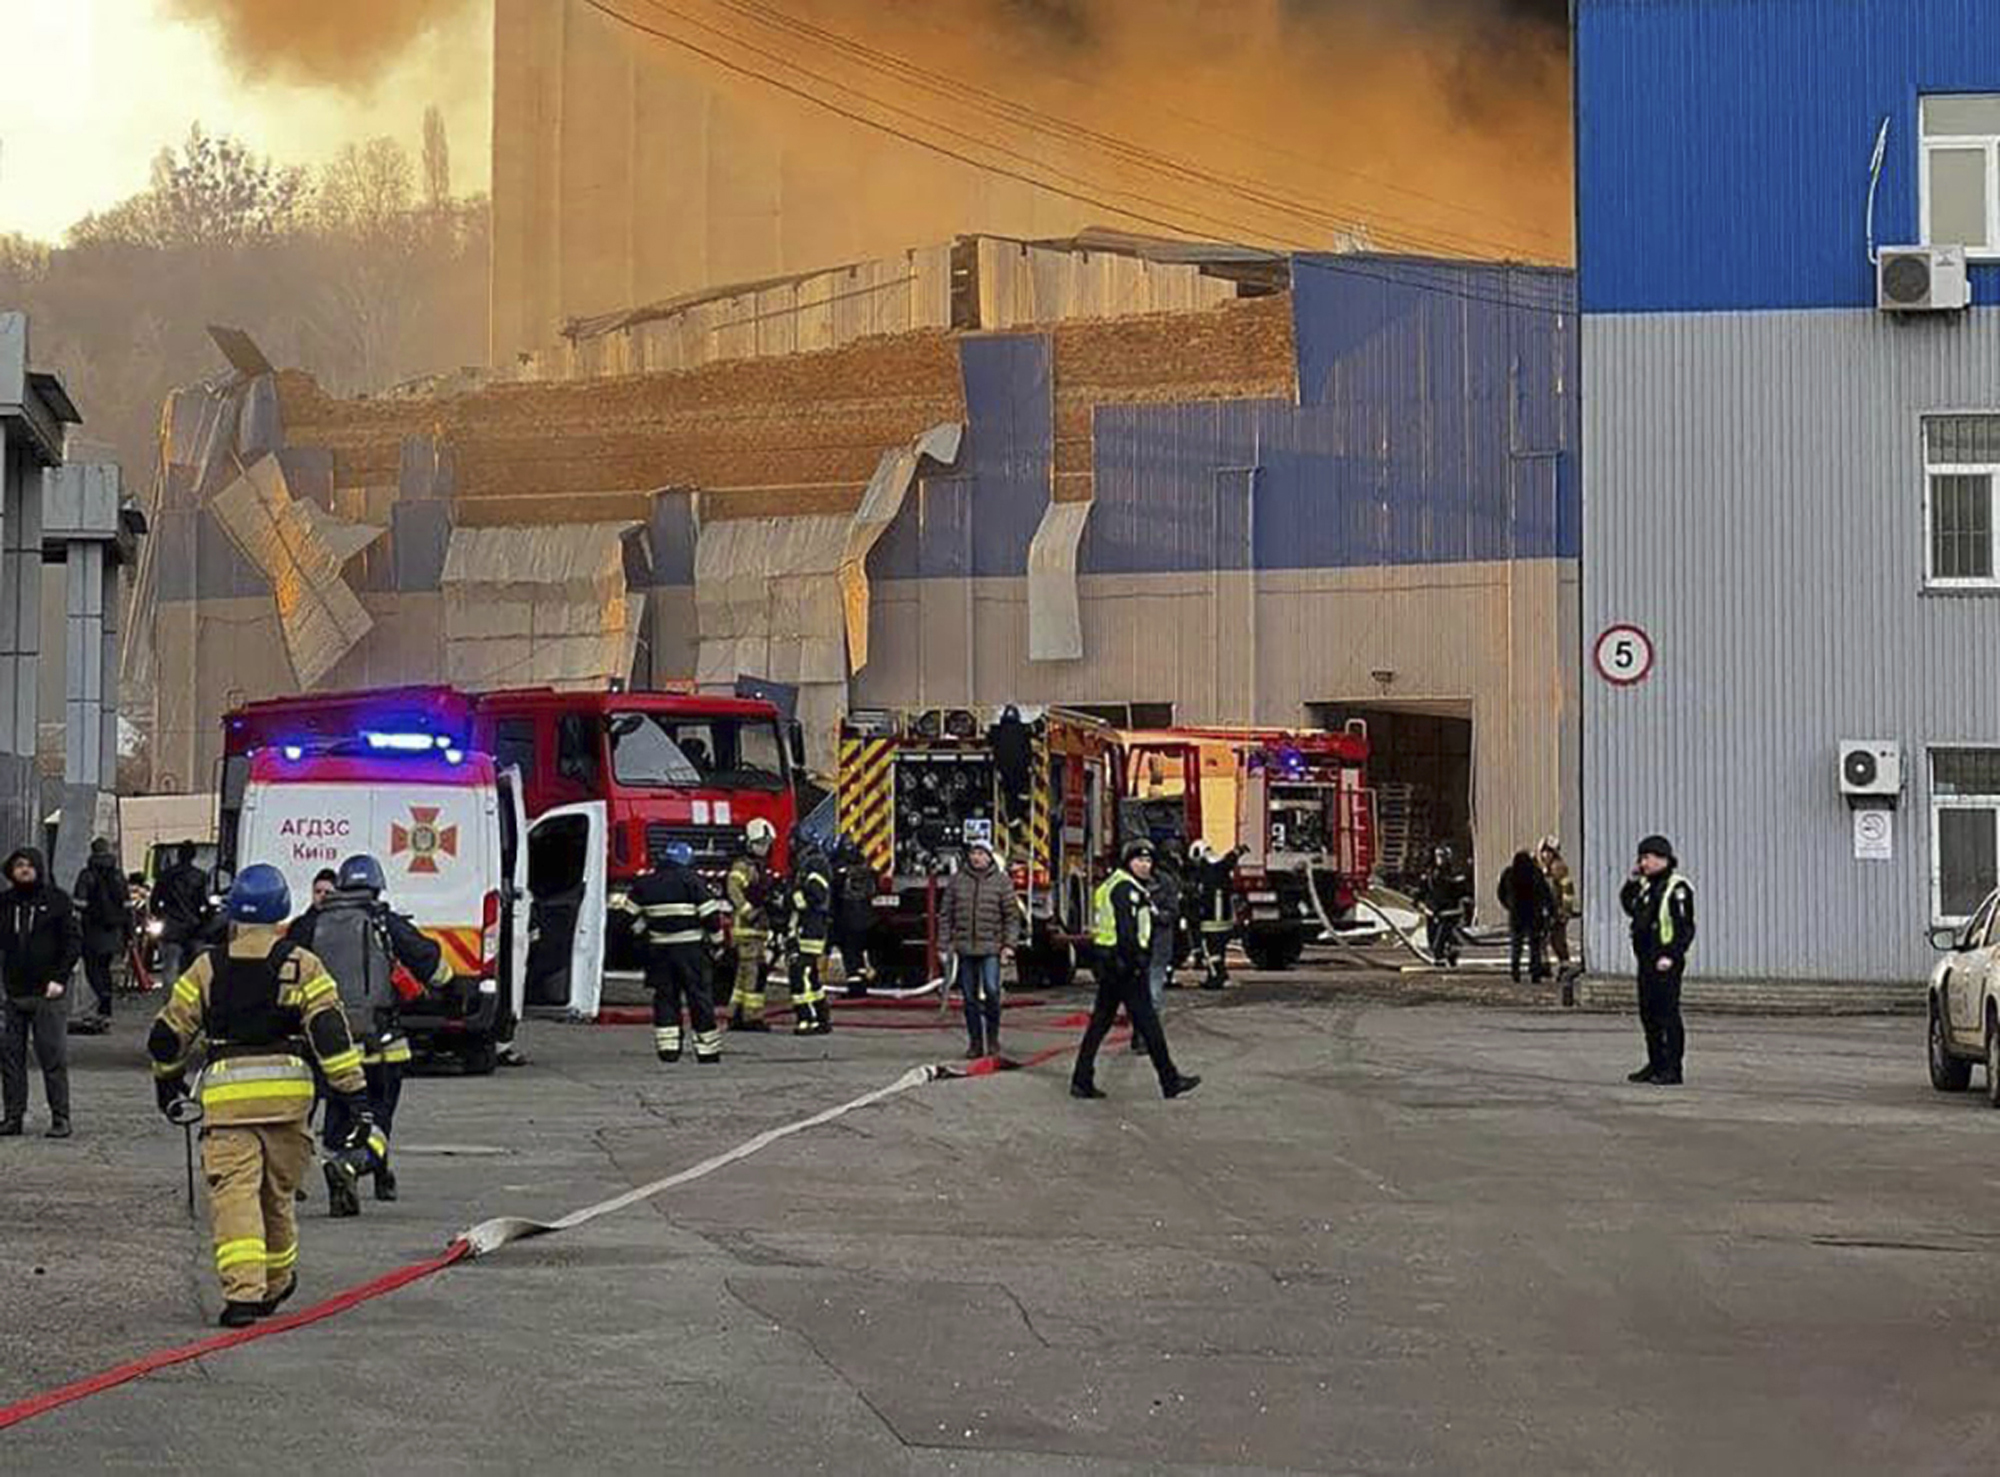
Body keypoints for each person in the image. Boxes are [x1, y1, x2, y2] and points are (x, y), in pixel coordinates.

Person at [148, 864, 372, 1327]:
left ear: (232, 914)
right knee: (278, 1194)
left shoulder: (206, 967)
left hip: (228, 1103)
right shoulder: (302, 964)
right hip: (288, 1102)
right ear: (282, 912)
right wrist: (354, 1096)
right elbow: (329, 1032)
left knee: (234, 1197)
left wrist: (167, 1082)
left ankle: (243, 1296)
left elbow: (169, 1035)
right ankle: (276, 1280)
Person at [286, 854, 449, 1213]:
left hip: (325, 1046)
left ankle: (346, 1170)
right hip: (380, 1046)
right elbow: (435, 968)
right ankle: (352, 1164)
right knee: (378, 1117)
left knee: (339, 1112)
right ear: (376, 887)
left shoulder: (310, 924)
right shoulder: (385, 922)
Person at [1071, 840, 1201, 1102]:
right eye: (1139, 860)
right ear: (1128, 862)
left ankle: (1081, 1078)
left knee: (1101, 1023)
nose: (1145, 865)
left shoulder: (1114, 883)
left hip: (1110, 964)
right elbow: (1127, 930)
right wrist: (1137, 960)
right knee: (1149, 1025)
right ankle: (1170, 1080)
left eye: (1149, 861)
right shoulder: (1125, 889)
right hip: (1125, 967)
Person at [617, 840, 727, 1064]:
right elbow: (712, 919)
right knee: (699, 999)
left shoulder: (645, 884)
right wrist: (718, 945)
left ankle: (668, 1049)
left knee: (665, 999)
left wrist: (644, 931)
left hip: (659, 953)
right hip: (691, 952)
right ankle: (707, 1052)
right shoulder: (693, 882)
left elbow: (624, 920)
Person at [0, 848, 81, 1138]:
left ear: (39, 868)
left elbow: (72, 942)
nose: (24, 870)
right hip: (14, 992)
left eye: (29, 865)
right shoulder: (6, 903)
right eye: (18, 866)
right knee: (10, 1057)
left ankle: (60, 1117)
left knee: (52, 1055)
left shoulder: (56, 901)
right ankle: (13, 1116)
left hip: (48, 992)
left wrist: (59, 978)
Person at [1620, 834, 1696, 1086]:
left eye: (1646, 858)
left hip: (1665, 962)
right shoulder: (1647, 886)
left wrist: (1670, 955)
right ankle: (1655, 1063)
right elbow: (1631, 907)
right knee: (1648, 1014)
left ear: (1661, 858)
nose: (1642, 863)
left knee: (1667, 1015)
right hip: (1646, 960)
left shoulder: (1677, 888)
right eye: (1641, 858)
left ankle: (1672, 1068)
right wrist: (1631, 882)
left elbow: (1685, 928)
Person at [939, 837, 1020, 1059]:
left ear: (989, 856)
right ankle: (976, 1043)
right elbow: (945, 914)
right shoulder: (957, 881)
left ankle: (992, 1038)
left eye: (981, 853)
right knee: (969, 997)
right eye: (974, 853)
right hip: (965, 949)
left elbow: (1012, 917)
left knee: (992, 991)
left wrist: (1009, 945)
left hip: (991, 949)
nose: (977, 857)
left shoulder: (1002, 882)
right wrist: (943, 945)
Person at [72, 837, 132, 1032]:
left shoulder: (86, 874)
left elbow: (79, 903)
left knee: (92, 968)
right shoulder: (118, 875)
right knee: (105, 967)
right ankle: (105, 1003)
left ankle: (102, 997)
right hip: (114, 931)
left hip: (92, 929)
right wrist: (128, 932)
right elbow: (127, 905)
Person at [727, 818, 779, 1031]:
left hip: (757, 930)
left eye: (766, 844)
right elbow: (733, 889)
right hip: (747, 929)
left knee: (744, 974)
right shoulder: (742, 866)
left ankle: (736, 1012)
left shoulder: (760, 867)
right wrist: (749, 911)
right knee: (753, 974)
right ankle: (751, 1017)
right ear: (748, 844)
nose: (763, 849)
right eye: (759, 844)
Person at [785, 832, 834, 1035]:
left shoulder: (814, 865)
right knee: (810, 975)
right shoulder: (810, 863)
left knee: (800, 974)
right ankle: (821, 1017)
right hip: (808, 927)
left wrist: (793, 897)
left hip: (810, 928)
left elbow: (815, 896)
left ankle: (808, 1018)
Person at [151, 841, 211, 991]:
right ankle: (188, 1003)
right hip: (193, 929)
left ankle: (170, 1003)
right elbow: (204, 903)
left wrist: (161, 916)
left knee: (170, 967)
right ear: (193, 856)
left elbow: (154, 901)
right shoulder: (200, 876)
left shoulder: (165, 876)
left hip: (170, 927)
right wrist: (204, 921)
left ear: (178, 855)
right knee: (191, 971)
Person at [1186, 841, 1242, 990]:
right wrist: (1237, 852)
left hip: (1210, 920)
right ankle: (1220, 975)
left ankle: (1215, 977)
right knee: (1219, 951)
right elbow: (1229, 861)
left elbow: (1199, 896)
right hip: (1224, 919)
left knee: (1211, 951)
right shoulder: (1220, 868)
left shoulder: (1206, 870)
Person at [1498, 850, 1556, 984]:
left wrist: (1509, 905)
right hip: (1533, 914)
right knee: (1534, 946)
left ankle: (1515, 971)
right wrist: (1550, 910)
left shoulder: (1509, 874)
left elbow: (1500, 893)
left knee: (1516, 945)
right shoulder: (1535, 874)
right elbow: (1545, 893)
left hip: (1516, 915)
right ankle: (1535, 972)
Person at [833, 839, 880, 999]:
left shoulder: (839, 873)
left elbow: (833, 897)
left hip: (847, 920)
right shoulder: (868, 870)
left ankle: (856, 987)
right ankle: (865, 980)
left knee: (851, 955)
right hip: (868, 919)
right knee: (860, 953)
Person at [1415, 844, 1471, 967]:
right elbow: (1422, 891)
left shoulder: (1454, 875)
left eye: (1443, 856)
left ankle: (1444, 957)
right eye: (1438, 856)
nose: (1440, 859)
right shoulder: (1430, 875)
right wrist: (1419, 902)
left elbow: (1462, 892)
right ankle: (1449, 952)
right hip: (1432, 912)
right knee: (1432, 941)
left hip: (1449, 913)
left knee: (1438, 943)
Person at [1537, 836, 1576, 971]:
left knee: (1557, 940)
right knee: (1543, 939)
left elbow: (1568, 889)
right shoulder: (1545, 869)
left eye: (1548, 852)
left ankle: (1565, 966)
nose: (1544, 855)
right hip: (1547, 910)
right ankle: (1544, 965)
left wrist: (1565, 910)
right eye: (1543, 852)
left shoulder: (1558, 868)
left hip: (1557, 911)